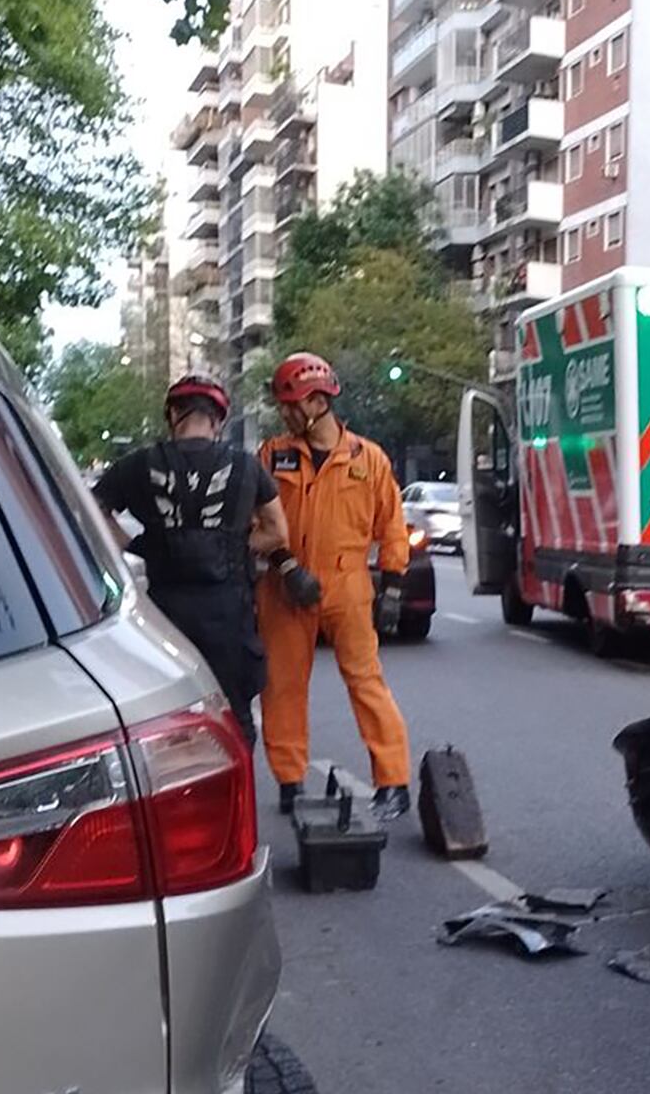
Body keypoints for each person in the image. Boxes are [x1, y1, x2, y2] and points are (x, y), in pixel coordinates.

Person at [257, 351, 414, 822]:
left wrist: (392, 588)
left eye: (290, 403)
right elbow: (256, 518)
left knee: (367, 683)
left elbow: (392, 527)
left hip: (347, 584)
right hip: (286, 583)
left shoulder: (369, 459)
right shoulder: (272, 455)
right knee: (282, 687)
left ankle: (393, 782)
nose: (284, 413)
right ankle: (290, 781)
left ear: (317, 401)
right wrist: (286, 566)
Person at [95, 372, 287, 741]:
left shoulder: (137, 464)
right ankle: (235, 793)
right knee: (234, 717)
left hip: (162, 614)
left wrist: (133, 548)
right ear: (218, 420)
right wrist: (236, 545)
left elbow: (89, 511)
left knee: (167, 718)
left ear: (172, 415)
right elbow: (277, 531)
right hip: (229, 615)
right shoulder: (247, 467)